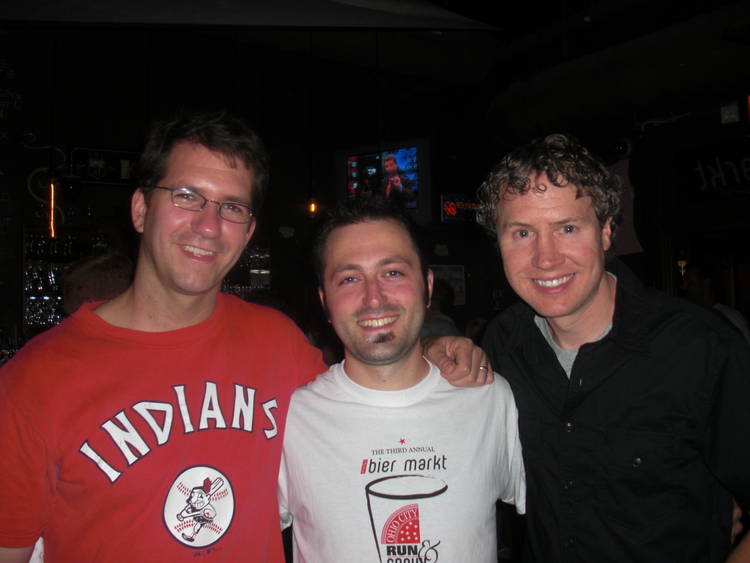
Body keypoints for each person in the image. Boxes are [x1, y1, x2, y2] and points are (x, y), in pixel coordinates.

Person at [0, 112, 488, 562]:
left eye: (231, 207)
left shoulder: (278, 343)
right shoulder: (33, 382)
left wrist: (429, 348)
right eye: (186, 195)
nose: (208, 226)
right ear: (141, 209)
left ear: (249, 231)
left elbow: (367, 392)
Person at [475, 133, 750, 563]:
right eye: (522, 233)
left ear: (606, 232)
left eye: (567, 228)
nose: (545, 258)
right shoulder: (503, 343)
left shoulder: (700, 347)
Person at [278, 198, 525, 561]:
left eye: (392, 273)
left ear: (427, 287)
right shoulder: (291, 418)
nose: (373, 298)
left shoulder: (489, 397)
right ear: (325, 301)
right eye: (349, 279)